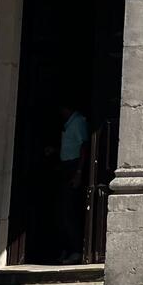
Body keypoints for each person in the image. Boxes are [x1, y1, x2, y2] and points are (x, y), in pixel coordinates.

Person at [57, 104, 89, 263]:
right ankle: (67, 248)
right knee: (63, 211)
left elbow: (84, 146)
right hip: (65, 167)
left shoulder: (78, 122)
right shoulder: (68, 123)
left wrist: (78, 172)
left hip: (73, 167)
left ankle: (76, 250)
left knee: (70, 210)